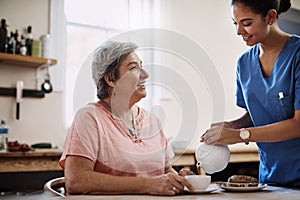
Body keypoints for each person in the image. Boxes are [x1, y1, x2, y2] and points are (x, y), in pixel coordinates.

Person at [59, 41, 194, 195]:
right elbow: (77, 181)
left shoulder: (152, 121)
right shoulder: (89, 118)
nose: (145, 74)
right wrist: (148, 185)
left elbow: (165, 170)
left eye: (141, 65)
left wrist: (180, 181)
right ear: (110, 79)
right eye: (134, 68)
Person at [201, 0, 300, 187]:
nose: (239, 32)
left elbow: (298, 124)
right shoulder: (244, 64)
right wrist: (231, 126)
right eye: (235, 23)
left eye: (246, 23)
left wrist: (240, 135)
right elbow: (258, 114)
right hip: (271, 176)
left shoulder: (297, 56)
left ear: (270, 17)